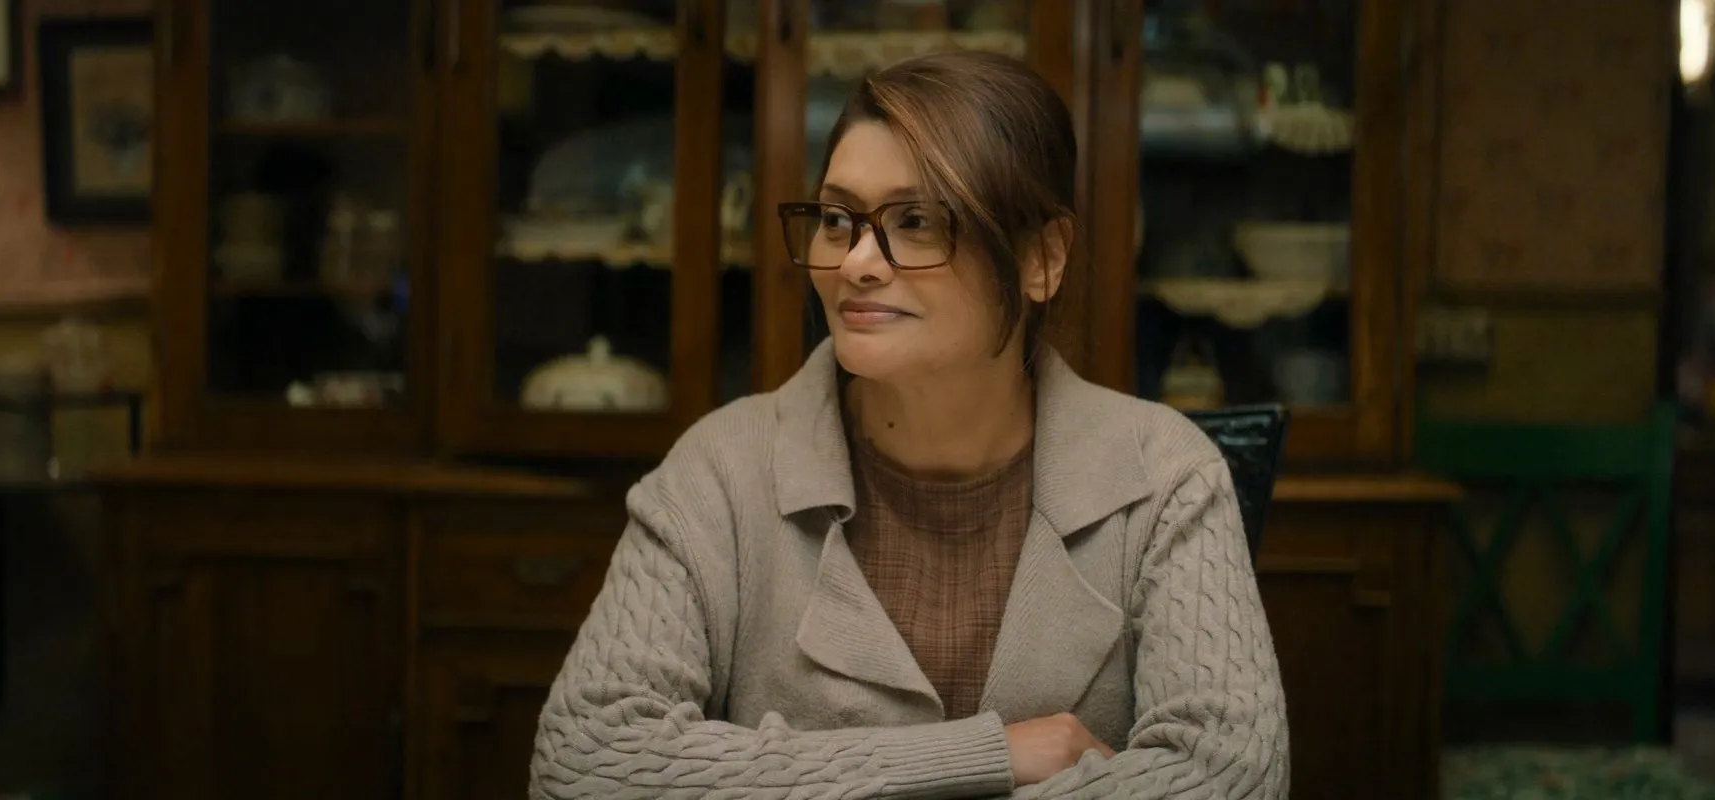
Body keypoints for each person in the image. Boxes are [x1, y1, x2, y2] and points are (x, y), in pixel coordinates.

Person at [531, 50, 1287, 799]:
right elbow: (582, 762)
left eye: (916, 221)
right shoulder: (722, 471)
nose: (856, 262)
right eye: (837, 220)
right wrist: (985, 756)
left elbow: (1231, 775)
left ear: (1042, 258)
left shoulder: (1165, 477)